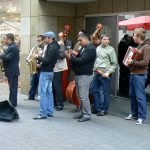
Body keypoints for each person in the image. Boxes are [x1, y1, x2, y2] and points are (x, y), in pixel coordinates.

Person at [65, 33, 96, 122]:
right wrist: (73, 53)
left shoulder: (90, 49)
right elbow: (80, 56)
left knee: (83, 96)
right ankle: (82, 112)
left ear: (86, 39)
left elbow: (82, 60)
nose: (79, 42)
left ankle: (87, 114)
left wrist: (70, 58)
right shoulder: (84, 47)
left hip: (85, 75)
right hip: (80, 74)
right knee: (79, 95)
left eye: (80, 40)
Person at [125, 28, 150, 125]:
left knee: (140, 96)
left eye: (134, 35)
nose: (133, 37)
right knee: (132, 95)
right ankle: (134, 113)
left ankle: (141, 117)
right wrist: (129, 62)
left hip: (140, 75)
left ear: (139, 37)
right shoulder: (139, 46)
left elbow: (145, 63)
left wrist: (132, 62)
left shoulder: (147, 47)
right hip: (133, 73)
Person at [33, 31, 59, 119]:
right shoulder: (54, 47)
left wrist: (37, 56)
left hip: (46, 72)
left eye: (45, 38)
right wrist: (41, 65)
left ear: (50, 38)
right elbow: (49, 61)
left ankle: (43, 113)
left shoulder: (51, 47)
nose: (43, 40)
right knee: (48, 92)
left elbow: (47, 60)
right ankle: (49, 111)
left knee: (43, 93)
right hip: (49, 71)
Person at [90, 34, 118, 116]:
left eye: (107, 39)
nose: (106, 41)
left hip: (105, 73)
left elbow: (114, 64)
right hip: (97, 72)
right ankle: (97, 108)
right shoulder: (98, 48)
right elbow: (96, 60)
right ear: (101, 40)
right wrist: (93, 69)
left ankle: (104, 110)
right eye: (104, 39)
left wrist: (108, 72)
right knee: (93, 90)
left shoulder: (111, 50)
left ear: (109, 41)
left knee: (104, 92)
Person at [0, 33, 20, 107]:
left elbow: (8, 58)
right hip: (11, 71)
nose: (4, 40)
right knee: (11, 87)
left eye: (5, 38)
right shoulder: (11, 47)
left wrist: (1, 55)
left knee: (13, 88)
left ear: (9, 39)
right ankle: (11, 101)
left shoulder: (13, 47)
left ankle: (13, 103)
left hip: (12, 71)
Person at [25, 35, 44, 101]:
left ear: (43, 40)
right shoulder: (35, 47)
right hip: (35, 68)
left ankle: (40, 96)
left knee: (41, 84)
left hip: (41, 68)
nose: (38, 42)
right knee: (33, 83)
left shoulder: (45, 48)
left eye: (39, 40)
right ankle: (31, 96)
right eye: (37, 40)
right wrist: (29, 59)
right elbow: (30, 56)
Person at [53, 32, 68, 111]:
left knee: (57, 86)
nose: (61, 38)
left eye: (62, 37)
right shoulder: (56, 44)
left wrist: (62, 45)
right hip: (53, 68)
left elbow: (62, 55)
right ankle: (54, 103)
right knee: (53, 86)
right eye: (59, 37)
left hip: (58, 68)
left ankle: (60, 104)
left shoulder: (62, 44)